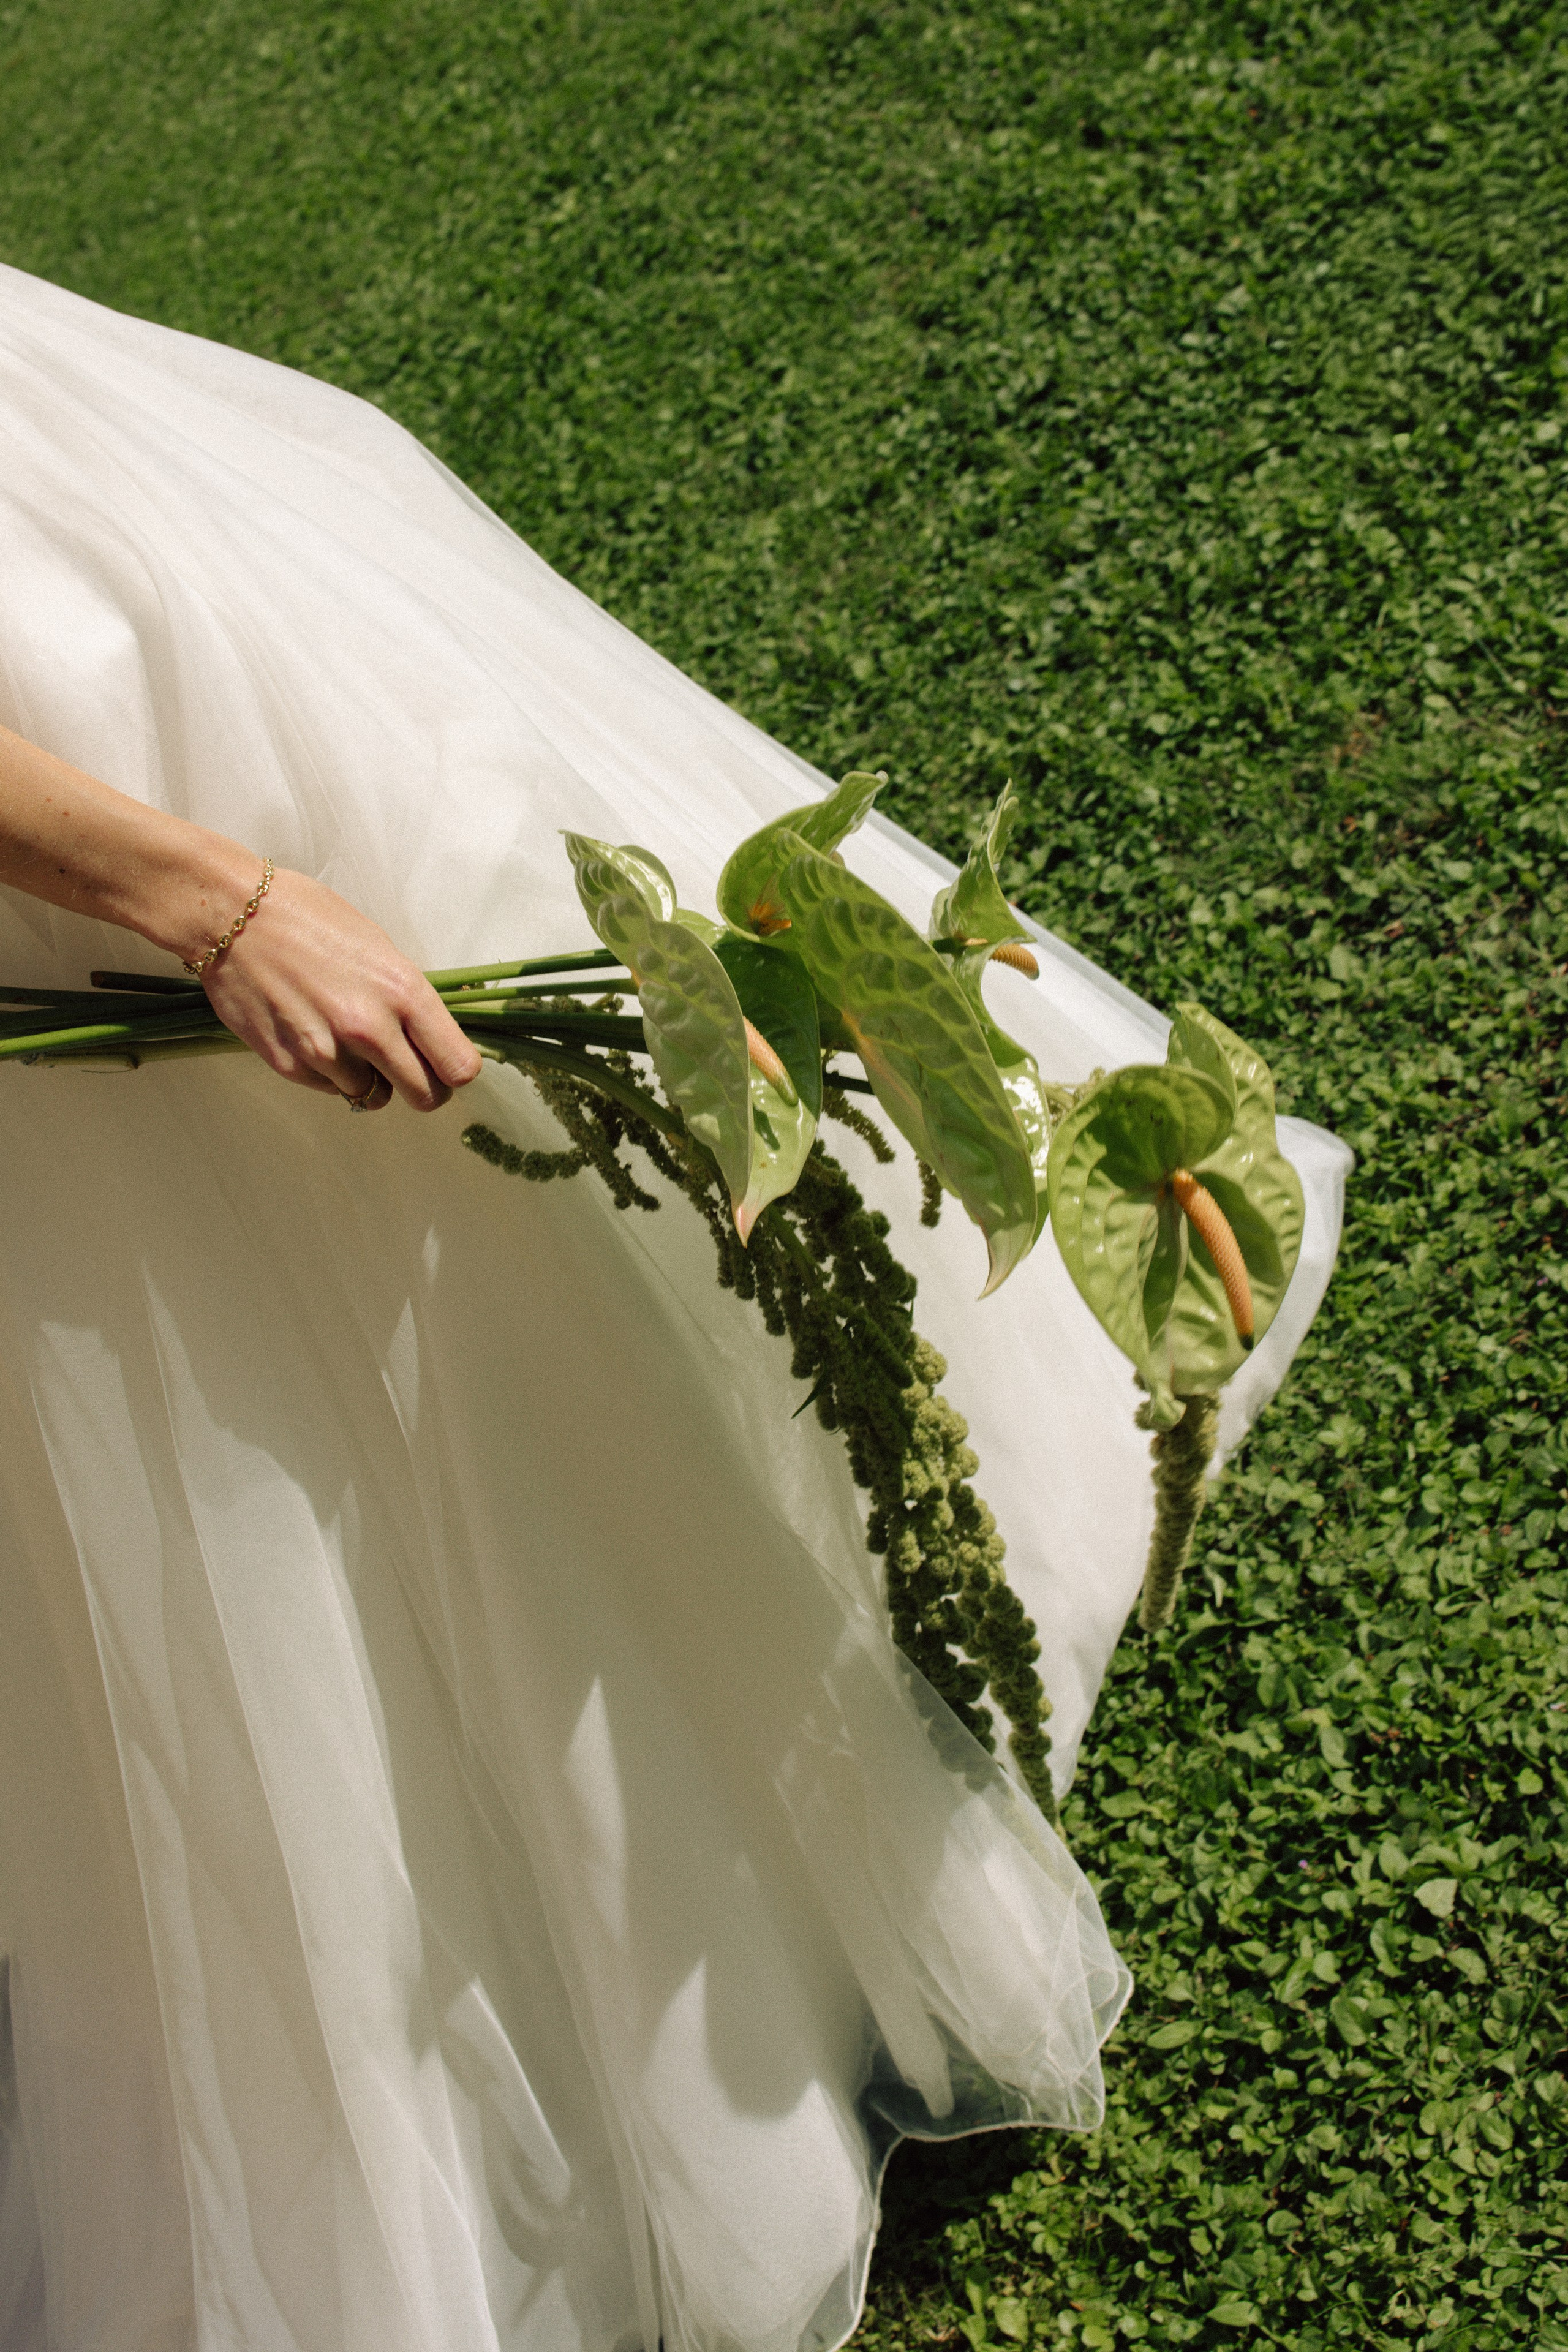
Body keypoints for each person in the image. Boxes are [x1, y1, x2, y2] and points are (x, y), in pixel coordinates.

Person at [0, 263, 1350, 2352]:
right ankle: (549, 1995)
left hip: (81, 488)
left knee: (476, 1201)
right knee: (273, 1385)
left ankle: (756, 1810)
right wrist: (205, 892)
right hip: (66, 759)